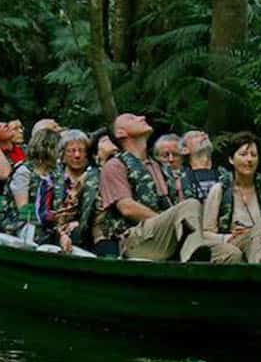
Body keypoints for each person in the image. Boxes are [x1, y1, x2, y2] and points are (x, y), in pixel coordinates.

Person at [95, 113, 240, 263]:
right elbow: (127, 208)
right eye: (132, 118)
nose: (142, 117)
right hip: (136, 240)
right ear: (121, 133)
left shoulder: (161, 167)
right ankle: (192, 263)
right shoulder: (114, 166)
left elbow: (179, 207)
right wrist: (171, 222)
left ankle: (195, 263)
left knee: (230, 253)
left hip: (170, 236)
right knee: (190, 204)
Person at [202, 132, 261, 264]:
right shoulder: (219, 190)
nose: (249, 160)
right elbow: (205, 233)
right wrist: (228, 237)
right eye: (243, 155)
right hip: (234, 242)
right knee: (256, 234)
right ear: (231, 159)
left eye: (253, 155)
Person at [178, 130, 225, 203]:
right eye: (195, 136)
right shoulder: (180, 176)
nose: (204, 134)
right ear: (185, 150)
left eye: (204, 134)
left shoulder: (223, 173)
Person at [152, 133, 184, 202]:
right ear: (157, 157)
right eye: (165, 155)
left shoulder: (191, 175)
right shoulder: (152, 178)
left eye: (175, 155)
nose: (171, 159)